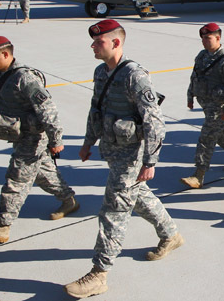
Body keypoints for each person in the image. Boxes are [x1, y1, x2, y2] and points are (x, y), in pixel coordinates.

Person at [65, 20, 183, 299]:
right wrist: (87, 142)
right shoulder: (100, 72)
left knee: (114, 208)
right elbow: (96, 109)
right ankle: (171, 235)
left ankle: (99, 273)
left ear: (116, 42)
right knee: (138, 195)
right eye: (93, 42)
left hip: (131, 155)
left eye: (99, 42)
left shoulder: (135, 76)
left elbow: (155, 122)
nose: (93, 46)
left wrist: (150, 161)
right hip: (112, 149)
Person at [0, 36, 79, 245]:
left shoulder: (25, 78)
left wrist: (56, 139)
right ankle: (69, 201)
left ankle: (2, 225)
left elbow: (48, 110)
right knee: (44, 174)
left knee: (17, 178)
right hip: (20, 135)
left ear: (5, 54)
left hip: (34, 137)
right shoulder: (0, 75)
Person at [181, 23, 224, 189]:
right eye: (202, 38)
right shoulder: (202, 56)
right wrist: (190, 95)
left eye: (208, 38)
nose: (204, 41)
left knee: (207, 137)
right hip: (206, 103)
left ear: (218, 38)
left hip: (219, 107)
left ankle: (199, 174)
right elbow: (194, 76)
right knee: (221, 132)